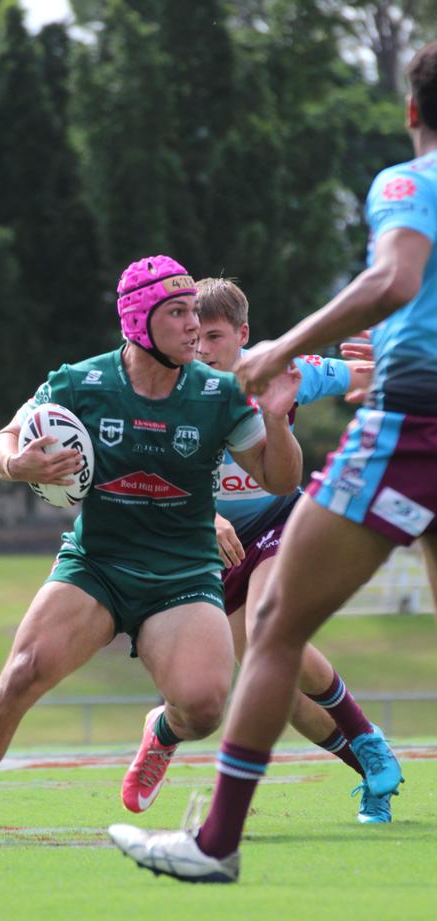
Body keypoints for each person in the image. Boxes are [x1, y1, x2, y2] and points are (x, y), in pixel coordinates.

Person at [108, 41, 437, 883]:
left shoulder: (409, 183)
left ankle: (218, 841)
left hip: (414, 427)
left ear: (410, 113)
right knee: (229, 658)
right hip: (194, 547)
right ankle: (192, 743)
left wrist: (292, 354)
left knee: (275, 626)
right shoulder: (147, 386)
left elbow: (394, 281)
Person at [0, 253, 302, 845]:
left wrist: (279, 421)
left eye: (196, 313)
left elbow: (280, 480)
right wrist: (16, 461)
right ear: (139, 321)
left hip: (183, 575)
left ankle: (162, 729)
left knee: (205, 706)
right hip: (97, 566)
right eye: (179, 312)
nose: (194, 325)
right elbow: (4, 438)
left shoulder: (219, 393)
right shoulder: (80, 383)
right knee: (22, 674)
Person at [120, 277, 397, 825]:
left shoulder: (284, 369)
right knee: (268, 688)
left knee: (272, 634)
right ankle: (367, 771)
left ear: (243, 336)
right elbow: (141, 474)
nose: (201, 349)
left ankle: (367, 740)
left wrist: (388, 360)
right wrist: (208, 516)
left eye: (215, 337)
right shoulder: (166, 388)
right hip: (204, 545)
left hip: (277, 523)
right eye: (194, 336)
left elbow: (365, 376)